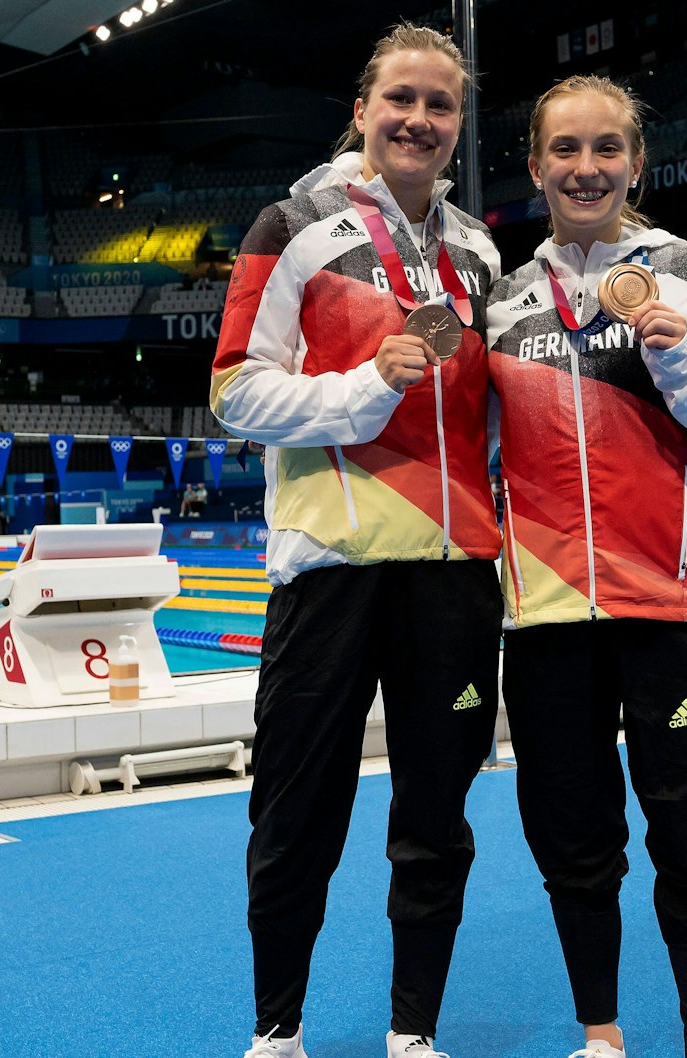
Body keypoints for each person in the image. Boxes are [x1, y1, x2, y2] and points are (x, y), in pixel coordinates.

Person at [210, 24, 502, 1058]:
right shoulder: (289, 225)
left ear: (458, 125)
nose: (419, 120)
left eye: (440, 105)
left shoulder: (477, 250)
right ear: (364, 107)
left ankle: (411, 1031)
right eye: (402, 100)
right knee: (295, 813)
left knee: (436, 815)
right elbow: (234, 392)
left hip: (454, 575)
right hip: (329, 569)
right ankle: (275, 1030)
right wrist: (366, 386)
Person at [485, 75, 687, 1058]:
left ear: (635, 162)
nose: (585, 167)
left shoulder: (685, 273)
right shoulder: (503, 301)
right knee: (573, 846)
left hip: (673, 611)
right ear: (534, 166)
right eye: (565, 149)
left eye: (606, 148)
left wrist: (677, 355)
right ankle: (600, 1034)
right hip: (548, 620)